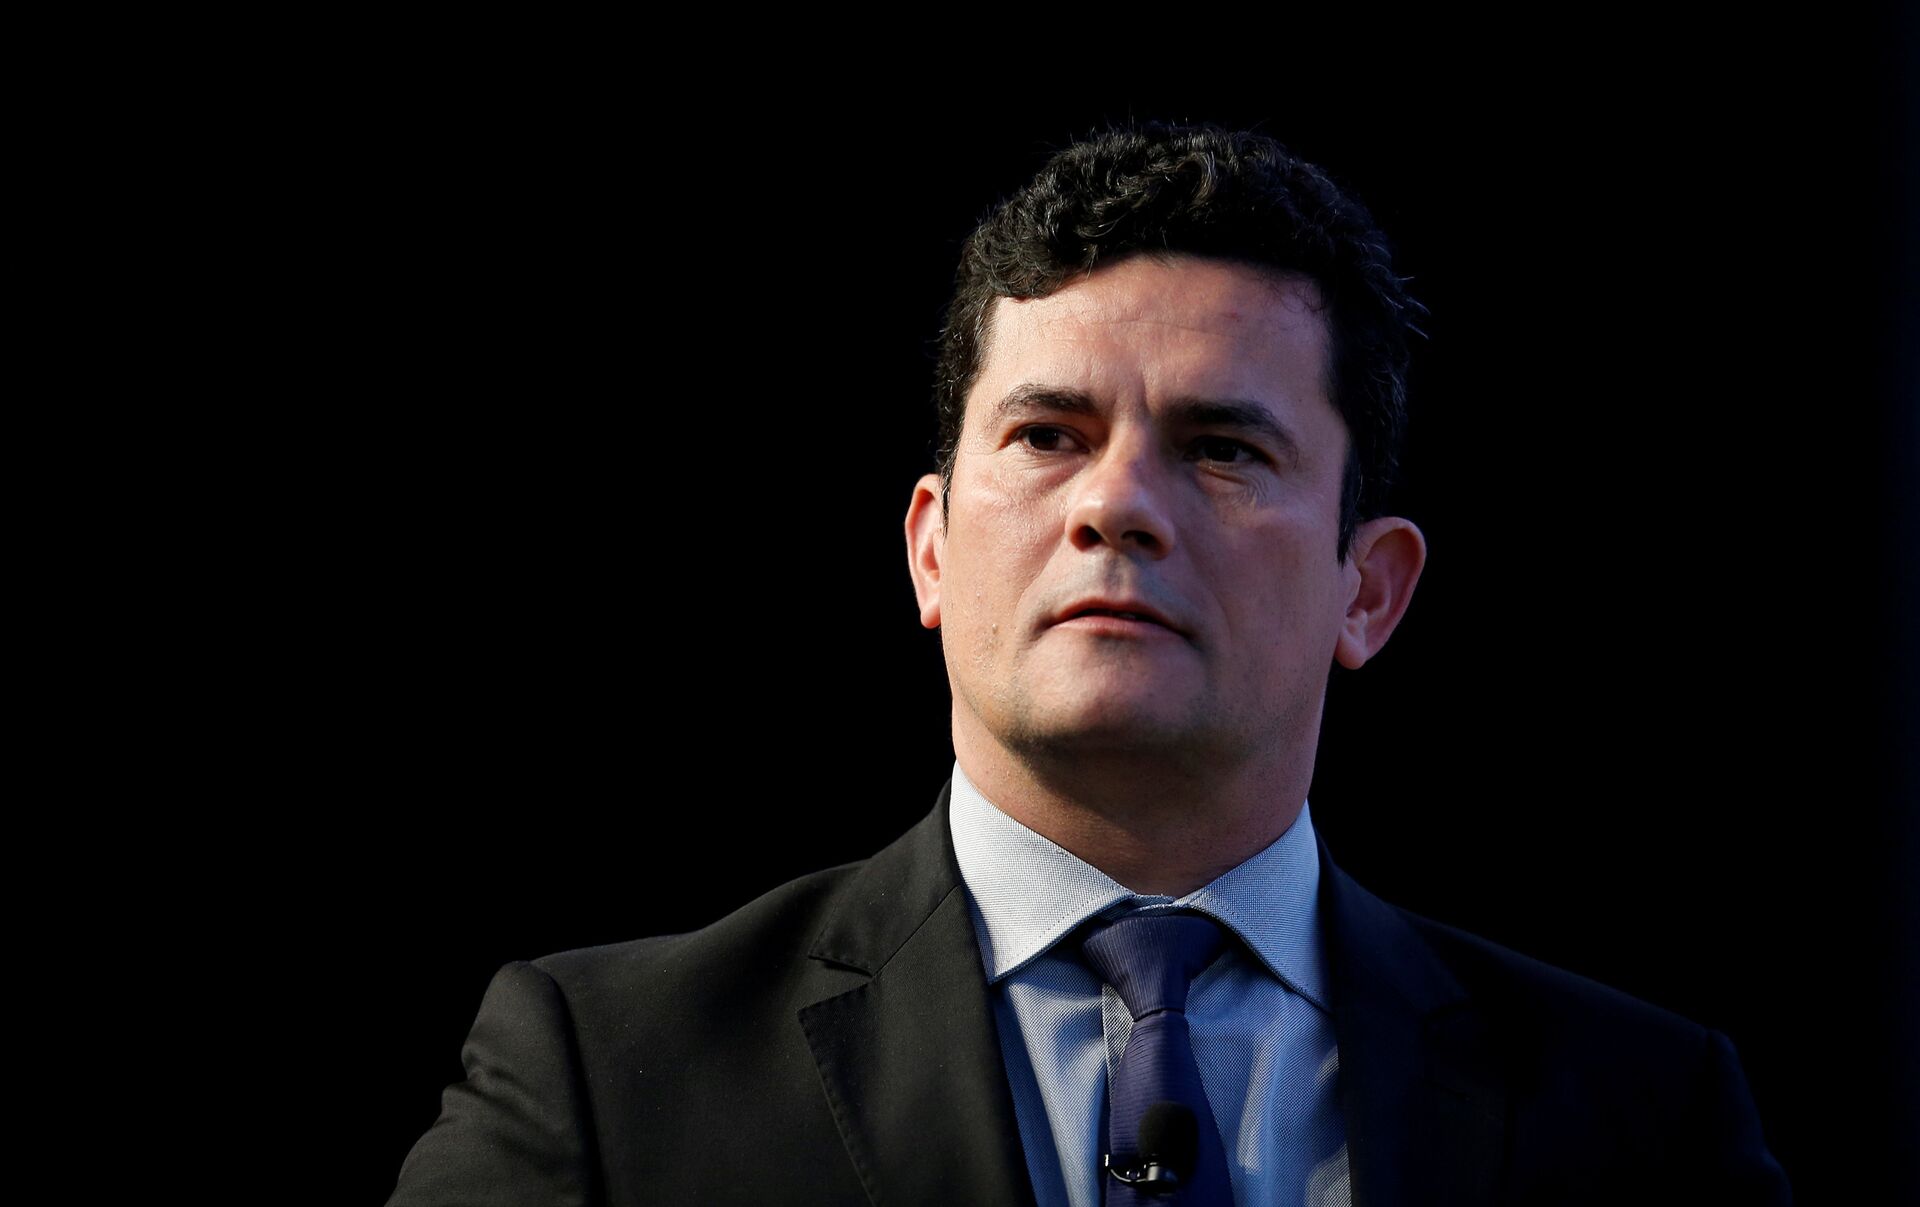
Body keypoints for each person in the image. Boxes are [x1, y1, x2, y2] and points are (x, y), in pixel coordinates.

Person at [387, 124, 1791, 1207]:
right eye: (1047, 435)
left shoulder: (1647, 1118)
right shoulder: (601, 1077)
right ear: (932, 552)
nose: (1115, 505)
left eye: (1221, 449)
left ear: (1369, 590)